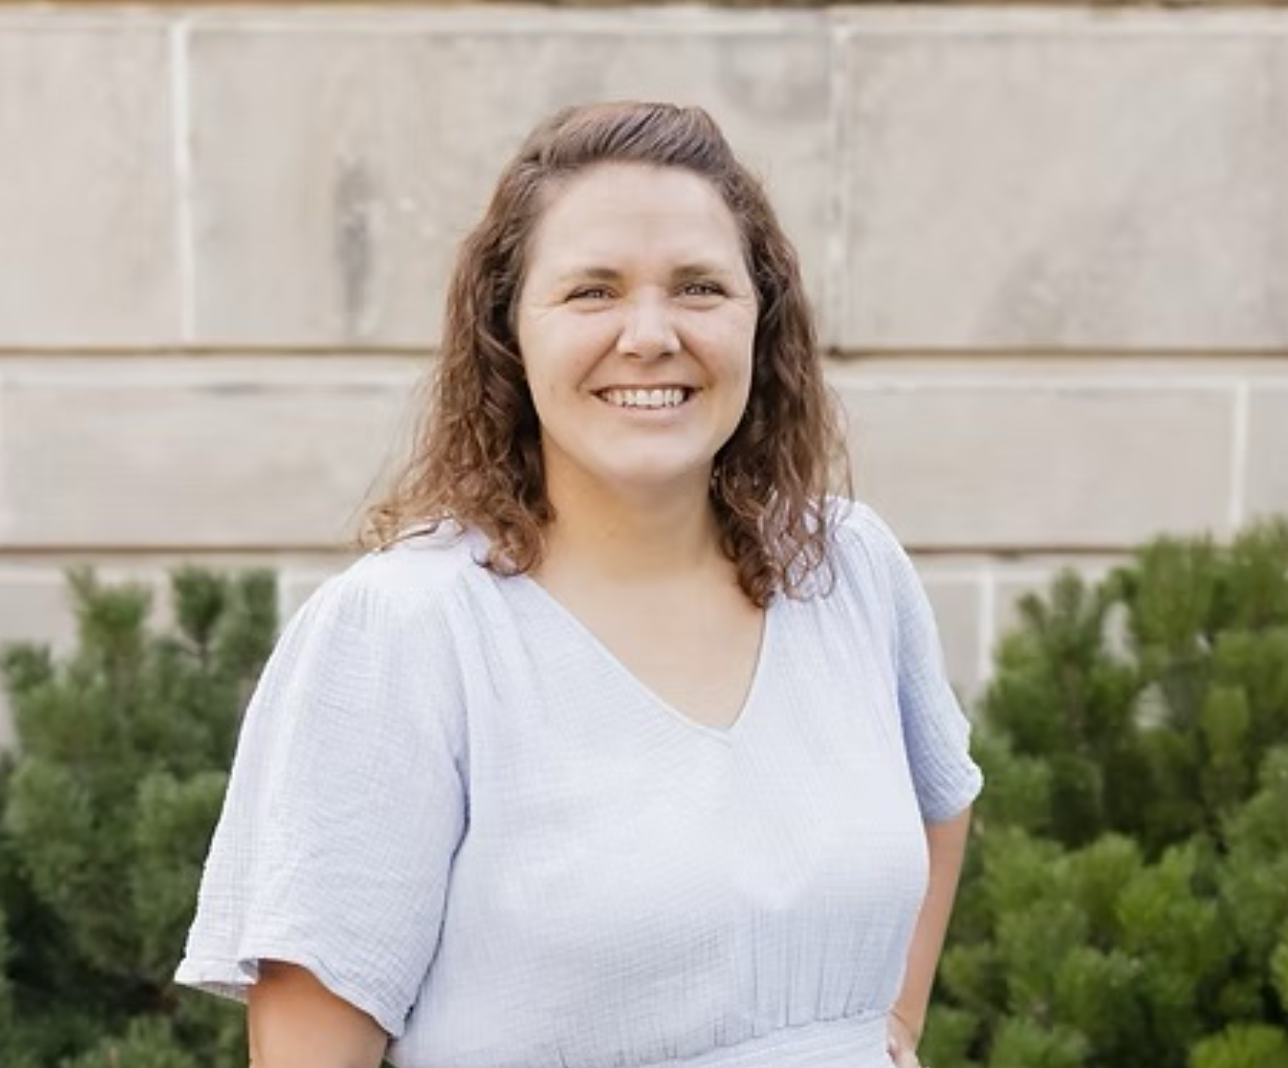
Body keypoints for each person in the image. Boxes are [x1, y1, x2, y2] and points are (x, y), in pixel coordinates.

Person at [176, 100, 982, 1068]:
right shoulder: (403, 633)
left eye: (698, 287)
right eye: (592, 292)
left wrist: (885, 1026)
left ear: (759, 320)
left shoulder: (848, 569)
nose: (649, 335)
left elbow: (942, 796)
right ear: (508, 332)